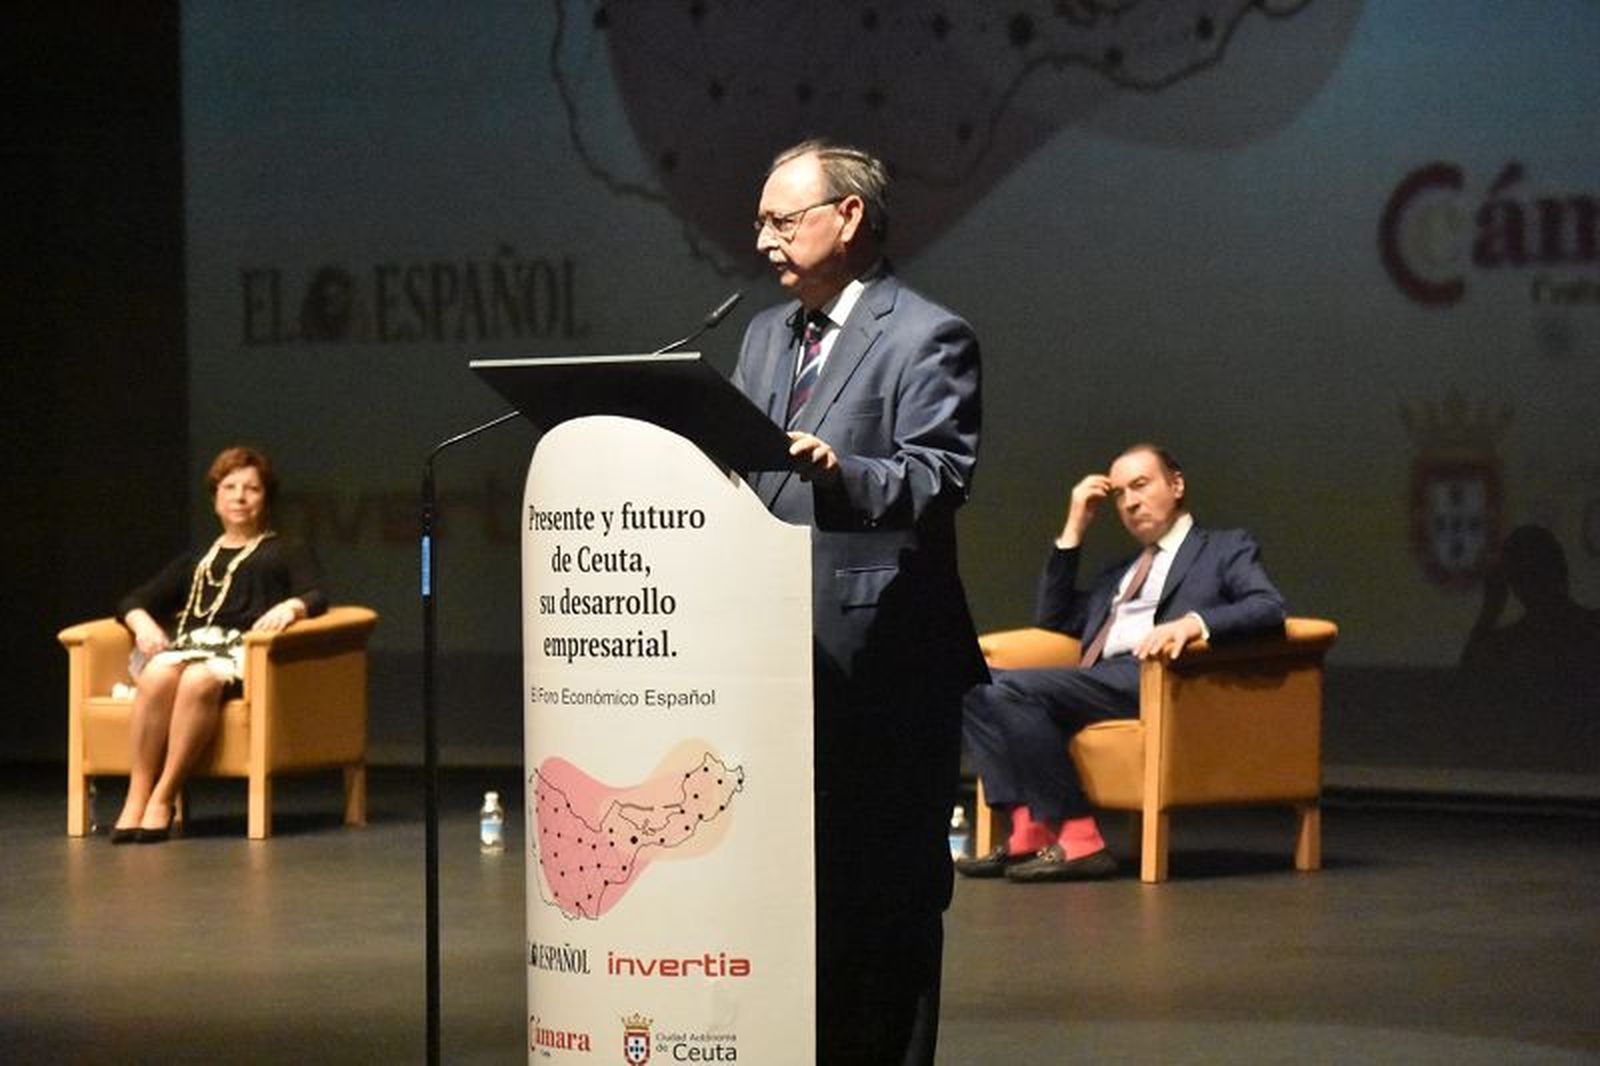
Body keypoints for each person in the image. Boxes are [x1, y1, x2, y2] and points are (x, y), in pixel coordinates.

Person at [731, 139, 985, 1065]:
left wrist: (845, 475)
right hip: (772, 659)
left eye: (781, 219)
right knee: (804, 893)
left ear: (847, 217)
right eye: (758, 220)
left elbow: (937, 478)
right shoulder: (763, 336)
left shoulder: (927, 335)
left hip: (886, 665)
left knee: (892, 895)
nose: (763, 237)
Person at [959, 444, 1286, 882]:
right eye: (1119, 495)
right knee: (967, 682)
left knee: (1010, 688)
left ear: (1176, 484)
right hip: (1097, 680)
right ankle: (1029, 828)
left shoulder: (1223, 549)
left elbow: (1267, 607)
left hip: (1157, 678)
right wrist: (1075, 525)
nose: (1130, 503)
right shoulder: (1121, 572)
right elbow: (1053, 619)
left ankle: (1079, 838)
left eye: (1141, 486)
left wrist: (1192, 623)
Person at [110, 446, 327, 843]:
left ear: (266, 498)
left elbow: (316, 593)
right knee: (157, 674)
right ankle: (137, 794)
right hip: (189, 646)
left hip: (241, 653)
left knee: (197, 680)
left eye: (251, 488)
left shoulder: (286, 549)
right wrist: (142, 624)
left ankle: (164, 794)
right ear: (215, 499)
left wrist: (293, 607)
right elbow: (134, 601)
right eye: (230, 487)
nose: (240, 497)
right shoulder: (197, 559)